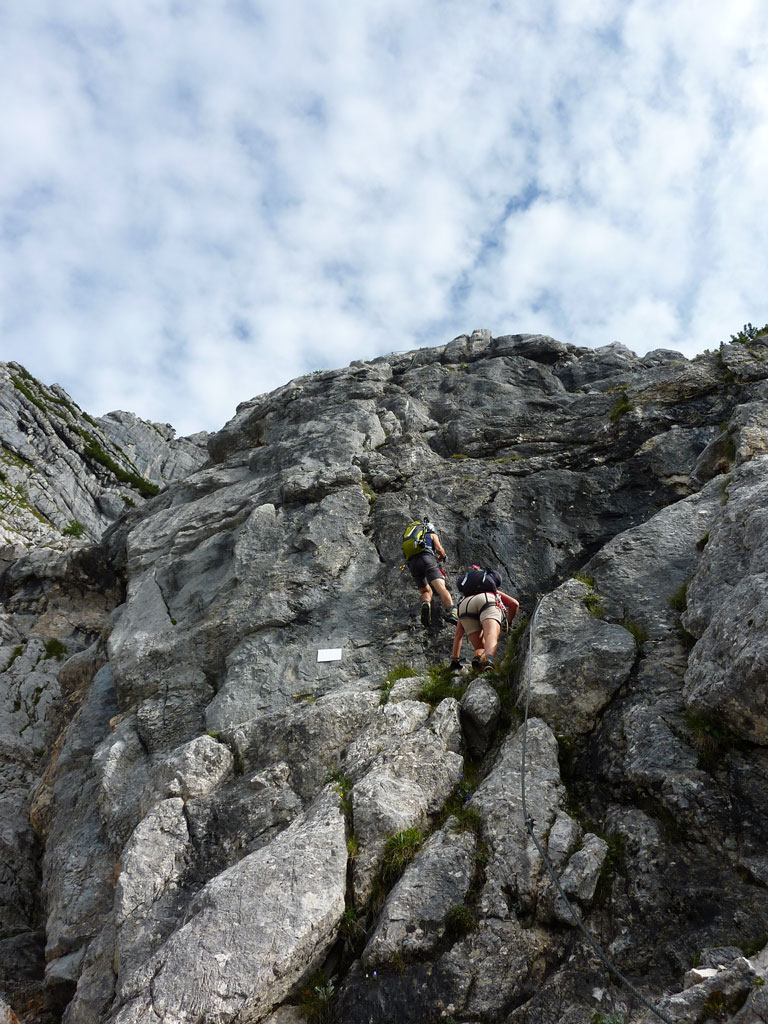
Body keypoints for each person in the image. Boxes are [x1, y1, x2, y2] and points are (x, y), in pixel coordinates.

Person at [450, 570, 519, 671]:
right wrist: (508, 622)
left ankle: (479, 657)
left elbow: (458, 635)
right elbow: (514, 604)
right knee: (490, 635)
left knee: (480, 647)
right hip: (486, 600)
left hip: (465, 606)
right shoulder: (491, 592)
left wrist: (455, 660)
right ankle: (489, 659)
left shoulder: (463, 599)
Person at [404, 520, 459, 627]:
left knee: (426, 590)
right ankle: (452, 611)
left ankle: (426, 603)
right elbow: (439, 549)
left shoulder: (412, 540)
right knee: (441, 588)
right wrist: (443, 556)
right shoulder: (431, 535)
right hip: (427, 559)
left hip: (413, 564)